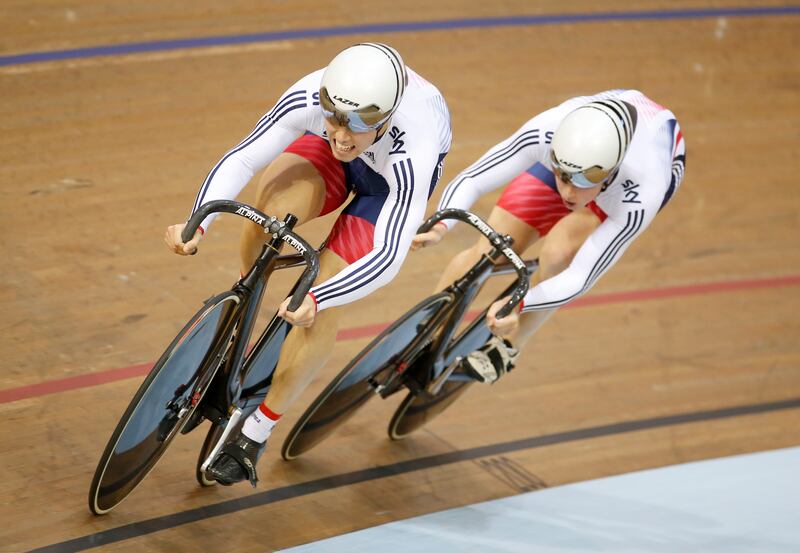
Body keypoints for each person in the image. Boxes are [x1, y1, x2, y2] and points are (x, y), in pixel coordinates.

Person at [164, 43, 451, 486]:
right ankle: (246, 298)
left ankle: (256, 432)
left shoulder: (416, 145)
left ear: (387, 118)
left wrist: (320, 295)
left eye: (358, 124)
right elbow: (245, 155)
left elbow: (389, 254)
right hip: (334, 168)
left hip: (384, 187)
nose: (341, 133)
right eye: (334, 115)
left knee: (323, 300)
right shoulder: (310, 96)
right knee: (270, 212)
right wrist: (198, 221)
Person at [412, 90, 685, 383]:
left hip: (631, 184)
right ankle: (421, 333)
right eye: (563, 176)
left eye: (582, 182)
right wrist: (442, 226)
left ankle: (509, 346)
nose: (568, 192)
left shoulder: (643, 189)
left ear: (609, 172)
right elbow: (473, 178)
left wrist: (520, 303)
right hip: (590, 160)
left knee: (559, 257)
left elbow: (581, 276)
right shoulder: (547, 130)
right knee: (492, 247)